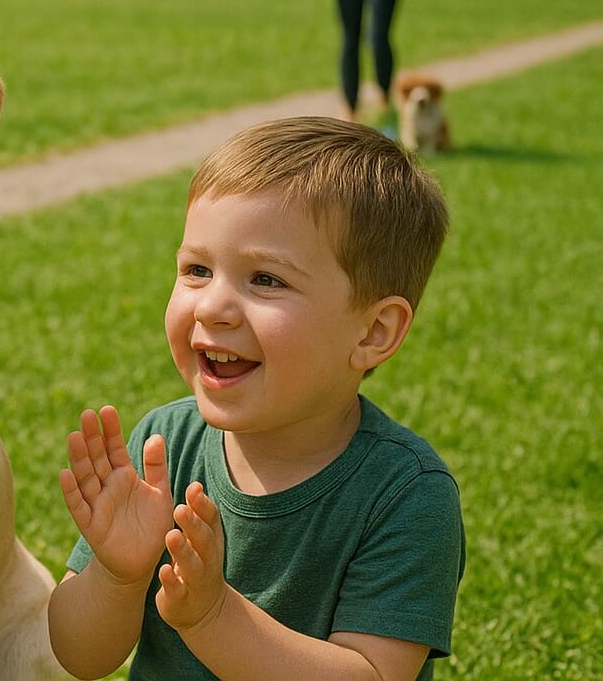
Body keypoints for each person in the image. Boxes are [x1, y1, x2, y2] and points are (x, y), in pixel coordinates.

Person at [48, 117, 463, 681]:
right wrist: (118, 576)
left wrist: (214, 615)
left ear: (373, 332)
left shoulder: (404, 493)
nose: (213, 306)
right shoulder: (162, 449)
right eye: (197, 269)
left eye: (266, 280)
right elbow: (79, 656)